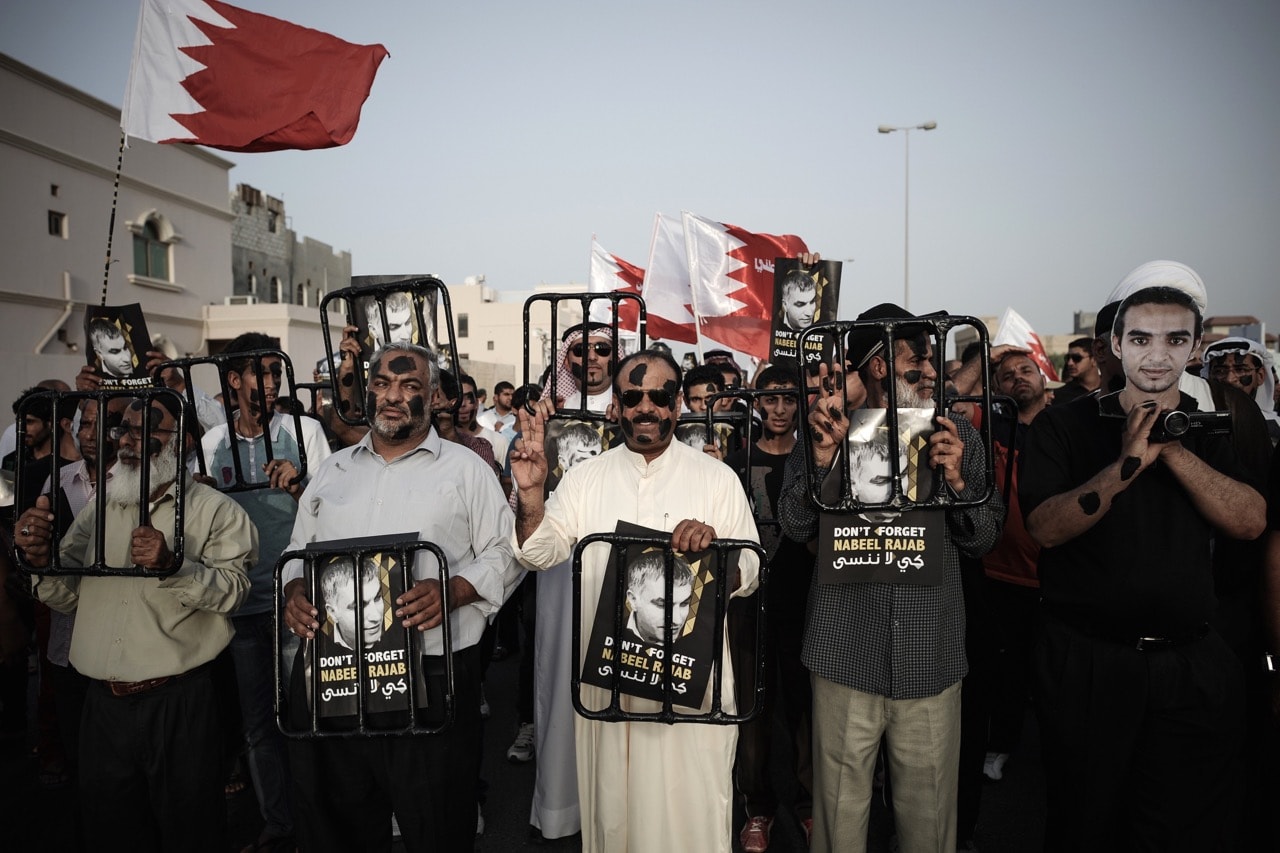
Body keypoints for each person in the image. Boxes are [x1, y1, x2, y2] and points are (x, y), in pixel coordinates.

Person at [1020, 283, 1266, 852]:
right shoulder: (1066, 425)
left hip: (1188, 662)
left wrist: (1173, 446)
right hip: (1090, 663)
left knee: (1183, 824)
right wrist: (1128, 464)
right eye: (1141, 338)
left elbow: (1251, 520)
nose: (1157, 355)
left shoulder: (1206, 428)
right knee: (1086, 820)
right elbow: (1045, 528)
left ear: (1195, 347)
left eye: (1175, 339)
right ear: (1117, 344)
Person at [511, 348, 760, 853]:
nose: (646, 407)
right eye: (633, 396)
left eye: (660, 396)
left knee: (690, 818)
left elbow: (750, 571)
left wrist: (715, 553)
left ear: (677, 405)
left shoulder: (717, 479)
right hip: (610, 685)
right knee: (615, 817)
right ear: (617, 406)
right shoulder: (584, 479)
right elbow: (539, 552)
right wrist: (533, 495)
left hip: (694, 690)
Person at [778, 301, 1003, 853]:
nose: (932, 370)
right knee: (838, 819)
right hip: (842, 651)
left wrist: (954, 483)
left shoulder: (957, 435)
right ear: (879, 365)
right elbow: (793, 524)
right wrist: (825, 462)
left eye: (932, 359)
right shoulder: (825, 431)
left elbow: (983, 539)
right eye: (919, 358)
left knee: (928, 821)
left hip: (931, 656)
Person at [281, 341, 518, 852]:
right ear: (368, 392)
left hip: (433, 674)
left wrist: (453, 590)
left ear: (433, 398)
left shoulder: (467, 470)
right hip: (337, 676)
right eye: (383, 384)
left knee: (436, 823)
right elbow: (299, 551)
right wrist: (296, 590)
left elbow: (507, 553)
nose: (393, 396)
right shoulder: (333, 470)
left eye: (410, 386)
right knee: (344, 822)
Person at [15, 394, 255, 852]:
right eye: (123, 430)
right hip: (103, 706)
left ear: (182, 442)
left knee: (191, 829)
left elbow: (235, 592)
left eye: (147, 432)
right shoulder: (103, 506)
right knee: (110, 829)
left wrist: (173, 566)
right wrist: (41, 560)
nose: (128, 442)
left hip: (179, 702)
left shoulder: (215, 511)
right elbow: (68, 594)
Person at [200, 332, 331, 852]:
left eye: (276, 372)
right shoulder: (212, 446)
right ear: (234, 381)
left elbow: (334, 512)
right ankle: (279, 824)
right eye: (260, 373)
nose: (272, 383)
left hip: (299, 600)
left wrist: (301, 486)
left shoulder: (307, 432)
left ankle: (321, 822)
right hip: (241, 606)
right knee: (258, 726)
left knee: (309, 716)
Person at [725, 364, 815, 852]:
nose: (780, 408)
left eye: (789, 398)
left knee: (805, 710)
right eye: (771, 399)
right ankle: (757, 809)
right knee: (753, 711)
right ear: (757, 403)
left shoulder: (815, 458)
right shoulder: (736, 463)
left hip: (806, 606)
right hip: (748, 608)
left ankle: (808, 806)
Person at [975, 353, 1050, 784]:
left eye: (1026, 371)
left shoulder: (1064, 426)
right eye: (1007, 375)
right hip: (1001, 572)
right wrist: (990, 355)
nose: (1018, 378)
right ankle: (1000, 743)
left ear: (1043, 378)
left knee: (1053, 672)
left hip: (1056, 573)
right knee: (1005, 670)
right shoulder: (993, 427)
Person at [1201, 336, 1280, 444]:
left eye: (1241, 370)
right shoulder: (1198, 425)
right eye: (1220, 371)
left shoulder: (1275, 427)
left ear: (1260, 376)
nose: (1229, 379)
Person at [623, 550, 694, 645]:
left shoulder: (696, 643)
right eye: (662, 605)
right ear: (633, 600)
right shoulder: (607, 627)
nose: (677, 620)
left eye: (684, 604)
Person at [320, 556, 386, 651]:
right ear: (332, 612)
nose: (377, 617)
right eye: (359, 606)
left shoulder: (399, 636)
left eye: (377, 598)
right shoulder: (320, 648)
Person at [1051, 337, 1100, 406]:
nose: (1070, 363)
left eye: (1076, 358)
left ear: (1094, 360)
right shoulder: (1060, 395)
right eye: (1067, 358)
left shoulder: (1110, 389)